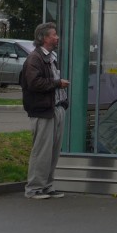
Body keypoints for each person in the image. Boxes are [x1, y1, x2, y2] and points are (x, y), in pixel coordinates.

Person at [19, 22, 69, 199]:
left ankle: (47, 185)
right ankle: (34, 188)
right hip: (42, 111)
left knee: (53, 151)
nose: (57, 37)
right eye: (54, 35)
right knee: (42, 151)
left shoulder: (51, 57)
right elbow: (34, 83)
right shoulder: (35, 58)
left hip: (55, 108)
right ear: (44, 38)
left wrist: (63, 103)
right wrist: (57, 83)